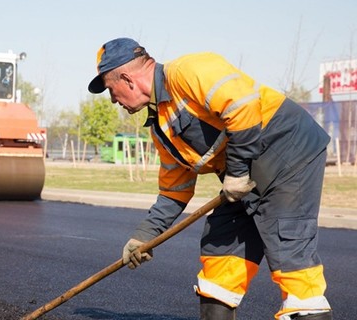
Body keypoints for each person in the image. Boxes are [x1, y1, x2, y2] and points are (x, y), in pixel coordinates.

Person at [87, 38, 332, 320]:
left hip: (288, 152)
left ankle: (307, 307)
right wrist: (144, 235)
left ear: (127, 79)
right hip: (244, 179)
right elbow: (174, 190)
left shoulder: (189, 71)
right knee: (221, 246)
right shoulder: (161, 127)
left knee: (289, 250)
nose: (113, 100)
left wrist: (237, 172)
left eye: (110, 90)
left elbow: (242, 107)